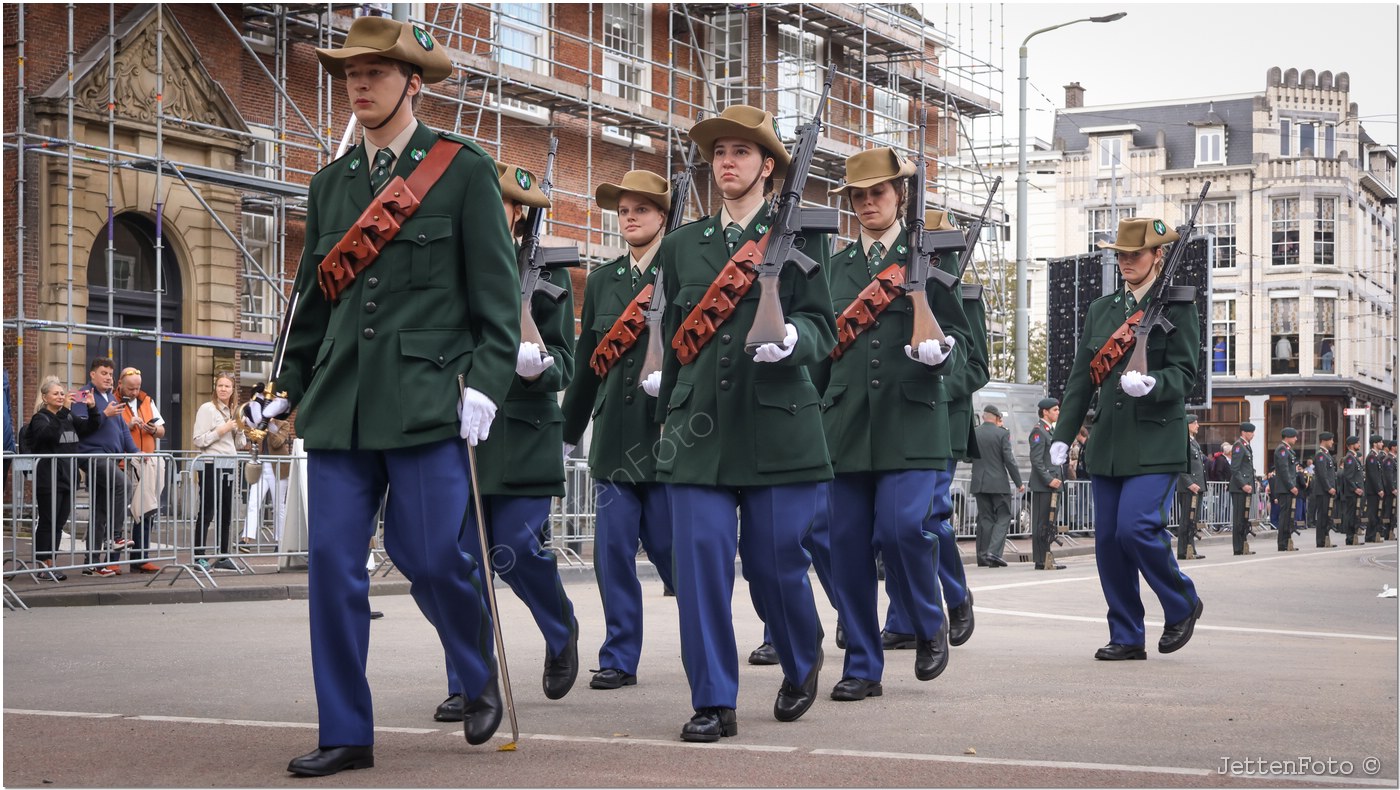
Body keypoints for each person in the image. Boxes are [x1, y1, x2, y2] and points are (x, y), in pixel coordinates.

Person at [276, 17, 521, 776]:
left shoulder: (463, 170)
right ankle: (347, 729)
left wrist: (484, 384)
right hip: (343, 404)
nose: (358, 82)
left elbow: (497, 301)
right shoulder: (332, 184)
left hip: (426, 401)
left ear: (413, 82)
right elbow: (311, 305)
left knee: (427, 556)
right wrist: (285, 387)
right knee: (332, 568)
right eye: (350, 71)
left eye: (376, 72)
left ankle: (476, 669)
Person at [641, 103, 836, 742]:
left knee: (774, 562)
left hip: (778, 423)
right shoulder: (681, 245)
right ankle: (713, 699)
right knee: (698, 563)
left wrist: (794, 342)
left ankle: (800, 656)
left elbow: (824, 327)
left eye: (741, 153)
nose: (726, 163)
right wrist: (662, 413)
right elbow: (673, 337)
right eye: (719, 153)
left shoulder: (802, 238)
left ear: (768, 168)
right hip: (697, 427)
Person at [818, 147, 972, 700]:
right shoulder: (832, 270)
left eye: (877, 193)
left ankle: (928, 621)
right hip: (845, 428)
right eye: (857, 196)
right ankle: (862, 663)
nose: (866, 204)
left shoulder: (930, 263)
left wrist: (940, 360)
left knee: (904, 528)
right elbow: (818, 352)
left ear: (900, 197)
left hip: (913, 424)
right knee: (848, 546)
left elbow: (969, 351)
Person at [437, 159, 580, 723]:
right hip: (466, 430)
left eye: (508, 206)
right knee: (464, 562)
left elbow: (565, 362)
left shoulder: (548, 272)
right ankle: (471, 681)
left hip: (522, 434)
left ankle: (560, 626)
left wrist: (534, 366)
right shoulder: (451, 261)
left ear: (521, 217)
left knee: (516, 547)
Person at [1049, 216, 1203, 661]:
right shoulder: (1102, 309)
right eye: (1120, 255)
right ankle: (1126, 634)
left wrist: (1156, 384)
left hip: (1155, 440)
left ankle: (1182, 602)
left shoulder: (1177, 305)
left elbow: (1185, 373)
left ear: (1158, 256)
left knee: (1136, 527)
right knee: (1109, 542)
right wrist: (1064, 435)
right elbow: (1081, 379)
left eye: (1135, 254)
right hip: (1109, 443)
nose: (1126, 262)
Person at [560, 168, 676, 692]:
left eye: (641, 210)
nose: (629, 218)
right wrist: (569, 428)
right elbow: (587, 359)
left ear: (663, 217)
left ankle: (710, 637)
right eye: (624, 211)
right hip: (614, 439)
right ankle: (619, 655)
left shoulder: (685, 270)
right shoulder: (605, 279)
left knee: (678, 555)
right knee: (611, 555)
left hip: (672, 437)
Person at [882, 208, 990, 652]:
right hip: (897, 418)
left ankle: (957, 594)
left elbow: (978, 366)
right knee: (891, 524)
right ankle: (903, 617)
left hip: (941, 419)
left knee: (929, 518)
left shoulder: (960, 294)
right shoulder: (891, 286)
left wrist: (937, 377)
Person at [23, 376, 102, 580]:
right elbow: (47, 435)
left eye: (62, 393)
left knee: (59, 523)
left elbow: (88, 429)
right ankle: (43, 564)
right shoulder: (41, 418)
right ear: (45, 397)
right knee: (47, 522)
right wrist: (66, 409)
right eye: (56, 393)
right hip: (49, 478)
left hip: (68, 477)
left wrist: (92, 409)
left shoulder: (67, 418)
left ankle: (52, 562)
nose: (60, 396)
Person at [70, 357, 138, 573]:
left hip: (109, 458)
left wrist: (137, 452)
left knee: (99, 511)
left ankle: (92, 563)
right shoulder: (83, 395)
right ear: (92, 375)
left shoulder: (110, 396)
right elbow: (81, 428)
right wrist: (103, 413)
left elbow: (122, 429)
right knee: (123, 485)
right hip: (93, 456)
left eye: (110, 374)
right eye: (103, 373)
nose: (108, 378)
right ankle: (116, 536)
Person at [191, 371, 246, 571]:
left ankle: (223, 555)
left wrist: (239, 430)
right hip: (211, 463)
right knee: (206, 511)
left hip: (229, 464)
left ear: (233, 390)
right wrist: (222, 430)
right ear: (215, 387)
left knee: (226, 512)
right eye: (220, 385)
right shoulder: (207, 409)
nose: (223, 389)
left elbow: (239, 444)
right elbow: (198, 439)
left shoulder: (233, 412)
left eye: (227, 386)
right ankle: (199, 557)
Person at [116, 367, 166, 573]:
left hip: (146, 462)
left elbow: (162, 430)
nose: (135, 392)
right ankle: (111, 560)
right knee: (118, 512)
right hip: (123, 463)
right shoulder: (113, 400)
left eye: (137, 388)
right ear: (120, 384)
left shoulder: (147, 400)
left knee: (146, 510)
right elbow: (109, 429)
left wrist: (152, 429)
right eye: (131, 388)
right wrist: (128, 425)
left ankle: (141, 557)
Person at [240, 385, 292, 549]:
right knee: (254, 501)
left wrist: (267, 423)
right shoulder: (257, 420)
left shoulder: (283, 423)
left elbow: (277, 442)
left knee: (279, 506)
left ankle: (280, 540)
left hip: (278, 467)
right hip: (261, 465)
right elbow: (252, 437)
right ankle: (247, 538)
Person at [970, 404, 1022, 567]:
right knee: (1004, 516)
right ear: (997, 418)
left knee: (985, 519)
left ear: (984, 417)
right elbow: (1009, 460)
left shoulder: (974, 433)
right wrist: (1018, 482)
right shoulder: (1002, 434)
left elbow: (966, 457)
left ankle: (984, 556)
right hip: (998, 484)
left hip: (979, 482)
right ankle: (994, 552)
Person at [1029, 397, 1066, 570]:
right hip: (1044, 485)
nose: (1058, 412)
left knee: (1048, 524)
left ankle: (1046, 558)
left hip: (1053, 484)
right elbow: (1036, 461)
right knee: (1042, 523)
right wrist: (1049, 479)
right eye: (1055, 410)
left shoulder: (1049, 431)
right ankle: (1041, 559)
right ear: (1045, 412)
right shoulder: (1039, 431)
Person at [1176, 414, 1206, 560]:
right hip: (1189, 487)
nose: (1197, 425)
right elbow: (1180, 466)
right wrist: (1190, 483)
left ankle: (1191, 549)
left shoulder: (1193, 442)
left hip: (1196, 487)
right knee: (1186, 520)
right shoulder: (1183, 441)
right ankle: (1183, 551)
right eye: (1195, 423)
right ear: (1187, 425)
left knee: (1192, 520)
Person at [1229, 423, 1258, 555]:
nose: (1253, 434)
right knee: (1239, 518)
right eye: (1251, 432)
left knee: (1244, 518)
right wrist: (1243, 485)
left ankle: (1243, 545)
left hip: (1246, 488)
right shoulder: (1238, 445)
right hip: (1240, 488)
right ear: (1244, 432)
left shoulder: (1246, 446)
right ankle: (1238, 547)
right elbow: (1235, 469)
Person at [1272, 427, 1300, 551]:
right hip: (1285, 489)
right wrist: (1291, 486)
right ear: (1288, 437)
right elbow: (1284, 471)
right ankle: (1282, 543)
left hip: (1288, 488)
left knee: (1289, 516)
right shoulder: (1282, 450)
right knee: (1284, 516)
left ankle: (1287, 541)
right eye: (1294, 436)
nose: (1296, 439)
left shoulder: (1288, 450)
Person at [1311, 432, 1338, 548]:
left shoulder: (1327, 455)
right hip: (1323, 491)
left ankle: (1325, 538)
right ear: (1324, 440)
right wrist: (1329, 487)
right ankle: (1321, 540)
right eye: (1331, 440)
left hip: (1327, 491)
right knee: (1323, 516)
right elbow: (1322, 474)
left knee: (1327, 515)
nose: (1332, 442)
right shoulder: (1320, 455)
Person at [1339, 435, 1365, 544]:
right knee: (1351, 515)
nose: (1359, 444)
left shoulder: (1353, 458)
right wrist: (1355, 489)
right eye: (1357, 443)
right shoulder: (1349, 458)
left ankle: (1353, 537)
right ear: (1352, 445)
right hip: (1352, 493)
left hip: (1355, 492)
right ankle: (1350, 538)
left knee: (1355, 514)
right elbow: (1348, 476)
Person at [1364, 434, 1386, 543]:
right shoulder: (1371, 457)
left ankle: (1372, 535)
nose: (1382, 444)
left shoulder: (1376, 456)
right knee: (1372, 513)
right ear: (1375, 444)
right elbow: (1373, 475)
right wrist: (1379, 489)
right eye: (1380, 442)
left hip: (1375, 490)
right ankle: (1370, 536)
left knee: (1376, 512)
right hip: (1372, 491)